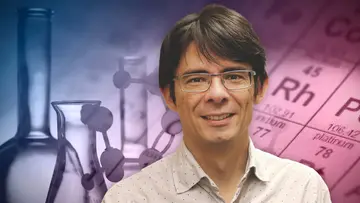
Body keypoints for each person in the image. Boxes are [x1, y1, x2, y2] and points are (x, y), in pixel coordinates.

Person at [102, 4, 332, 203]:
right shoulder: (129, 198)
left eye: (233, 76)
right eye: (197, 79)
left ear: (259, 88)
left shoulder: (304, 189)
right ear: (170, 96)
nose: (217, 94)